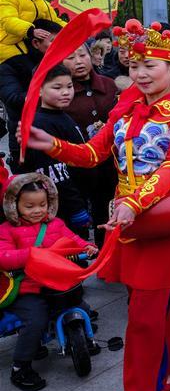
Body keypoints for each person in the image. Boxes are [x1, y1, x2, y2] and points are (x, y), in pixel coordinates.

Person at [23, 19, 170, 391]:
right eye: (134, 64)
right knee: (154, 304)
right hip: (127, 220)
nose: (141, 73)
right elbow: (92, 154)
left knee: (143, 314)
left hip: (161, 220)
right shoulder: (126, 106)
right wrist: (50, 144)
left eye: (150, 65)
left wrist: (135, 202)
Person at [0, 174, 98, 391]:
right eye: (29, 206)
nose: (37, 210)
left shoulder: (56, 224)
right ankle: (20, 367)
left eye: (43, 204)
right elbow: (3, 256)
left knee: (80, 305)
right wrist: (31, 255)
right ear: (13, 206)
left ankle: (81, 337)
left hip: (54, 279)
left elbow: (73, 239)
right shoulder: (7, 230)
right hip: (27, 287)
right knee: (35, 319)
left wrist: (86, 248)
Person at [19, 65, 91, 235]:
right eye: (57, 87)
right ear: (39, 90)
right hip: (60, 208)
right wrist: (75, 207)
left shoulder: (61, 115)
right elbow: (53, 173)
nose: (66, 92)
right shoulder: (41, 124)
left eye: (69, 86)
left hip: (76, 197)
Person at [61, 43, 118, 245]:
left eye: (82, 55)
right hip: (76, 166)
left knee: (107, 210)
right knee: (76, 217)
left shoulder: (109, 85)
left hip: (110, 164)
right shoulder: (62, 92)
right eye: (70, 57)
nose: (78, 62)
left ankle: (106, 254)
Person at [0, 20, 63, 171]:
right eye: (54, 42)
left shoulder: (61, 62)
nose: (59, 46)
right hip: (26, 143)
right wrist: (46, 93)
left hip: (60, 137)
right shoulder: (10, 65)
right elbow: (13, 99)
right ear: (35, 43)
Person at [0, 0, 67, 64]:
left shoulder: (42, 2)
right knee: (28, 69)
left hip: (31, 45)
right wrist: (31, 31)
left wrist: (73, 28)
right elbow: (8, 21)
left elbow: (55, 22)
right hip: (8, 45)